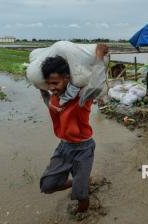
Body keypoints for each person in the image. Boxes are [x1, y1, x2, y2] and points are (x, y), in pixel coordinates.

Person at [39, 44, 108, 214]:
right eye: (48, 84)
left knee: (80, 193)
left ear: (67, 78)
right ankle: (82, 181)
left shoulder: (81, 98)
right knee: (47, 186)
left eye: (55, 83)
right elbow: (44, 95)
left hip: (83, 148)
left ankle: (82, 213)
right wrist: (41, 88)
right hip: (63, 148)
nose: (52, 87)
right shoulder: (53, 100)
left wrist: (99, 56)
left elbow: (96, 86)